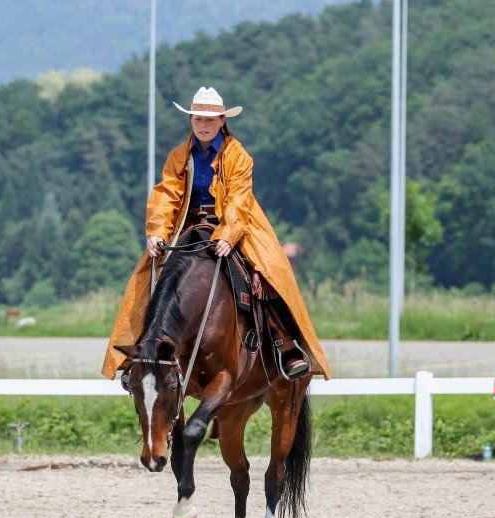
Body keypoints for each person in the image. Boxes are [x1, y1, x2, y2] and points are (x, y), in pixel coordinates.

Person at [101, 86, 330, 381]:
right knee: (149, 275)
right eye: (198, 119)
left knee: (267, 270)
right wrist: (157, 232)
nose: (204, 125)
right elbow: (167, 195)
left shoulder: (239, 157)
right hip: (188, 227)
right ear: (191, 121)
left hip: (235, 225)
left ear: (222, 121)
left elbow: (238, 199)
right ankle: (143, 353)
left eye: (210, 120)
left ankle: (284, 343)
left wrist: (227, 235)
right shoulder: (178, 157)